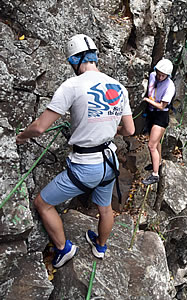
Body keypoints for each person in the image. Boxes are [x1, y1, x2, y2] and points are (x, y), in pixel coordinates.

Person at [16, 34, 135, 268]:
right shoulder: (119, 87)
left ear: (75, 61)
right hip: (109, 162)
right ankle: (100, 246)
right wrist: (109, 128)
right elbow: (129, 129)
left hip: (85, 166)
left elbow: (40, 128)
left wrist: (21, 137)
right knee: (105, 208)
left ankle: (64, 248)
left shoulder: (72, 85)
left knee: (43, 203)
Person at [142, 59, 175, 185]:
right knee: (156, 142)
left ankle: (155, 175)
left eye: (163, 75)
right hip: (152, 114)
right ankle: (158, 162)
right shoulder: (152, 76)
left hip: (161, 115)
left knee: (151, 145)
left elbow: (162, 106)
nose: (160, 77)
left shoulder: (169, 86)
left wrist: (147, 100)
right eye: (159, 74)